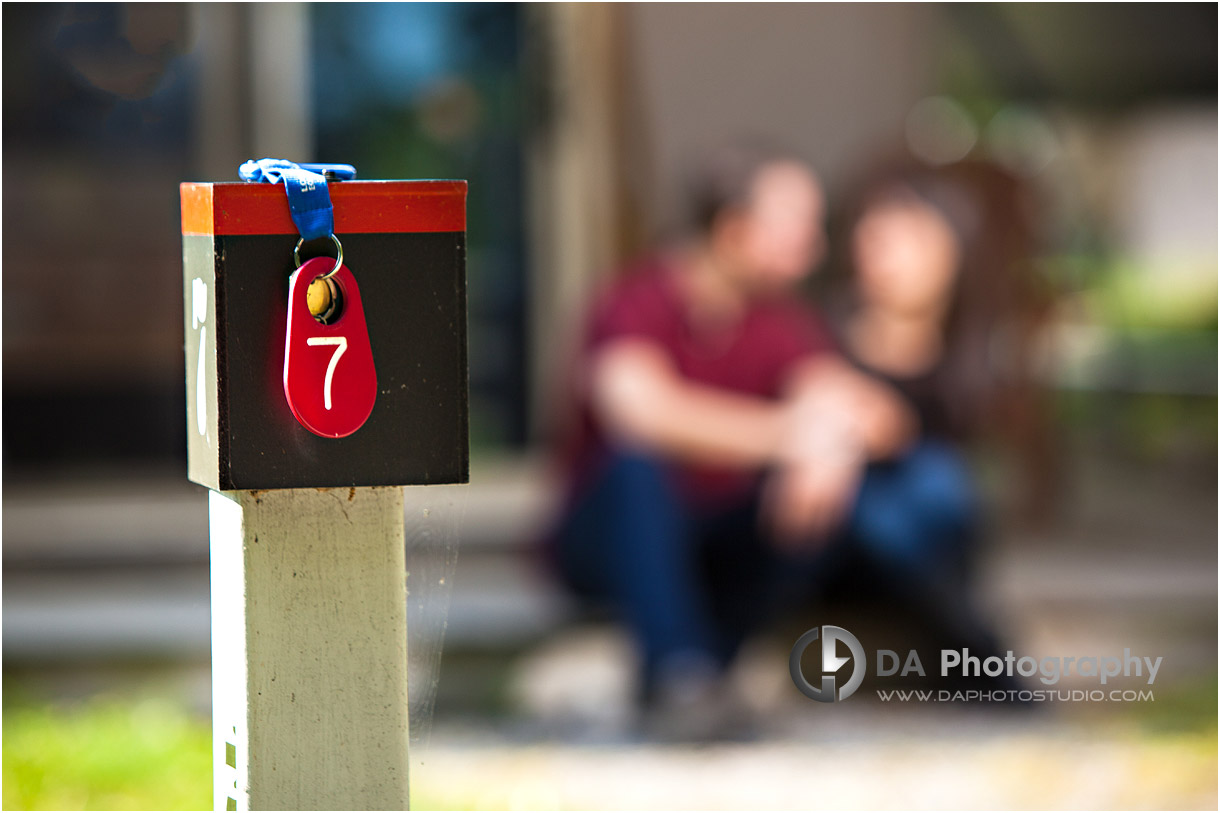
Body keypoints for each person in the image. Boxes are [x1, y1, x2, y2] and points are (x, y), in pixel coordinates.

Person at [544, 143, 918, 729]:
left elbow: (877, 415)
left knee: (822, 491)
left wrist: (832, 447)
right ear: (735, 229)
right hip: (610, 538)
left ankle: (706, 673)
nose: (814, 247)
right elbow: (638, 411)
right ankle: (682, 677)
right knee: (635, 467)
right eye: (797, 227)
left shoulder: (780, 322)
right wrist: (795, 436)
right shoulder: (636, 301)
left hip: (715, 540)